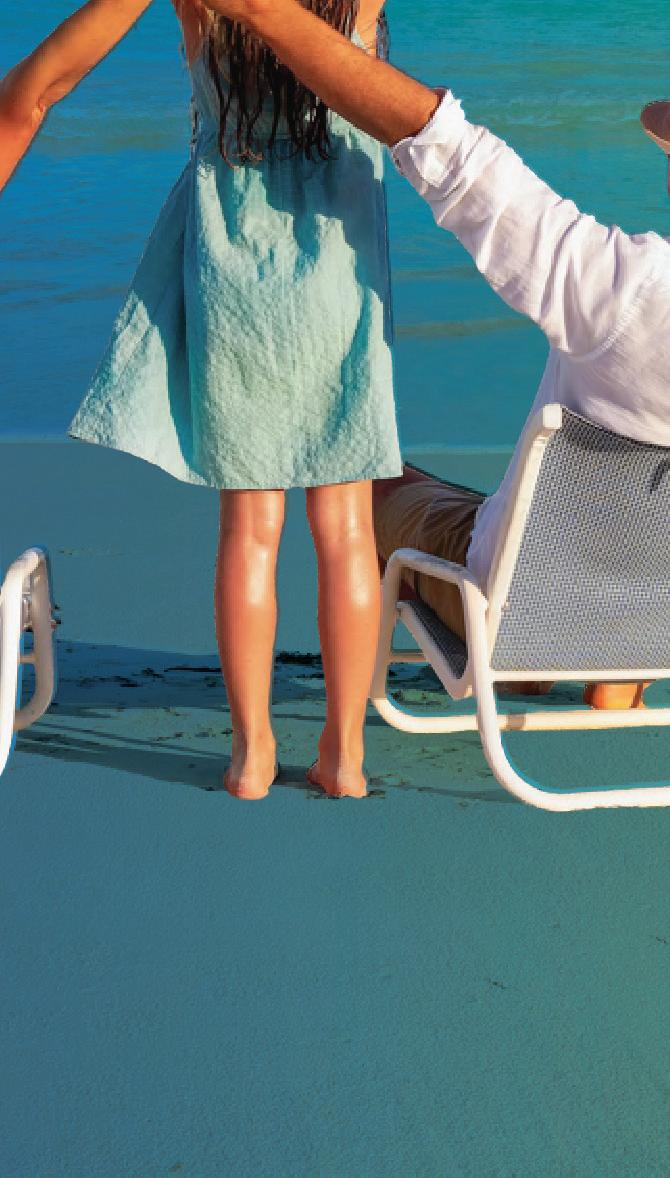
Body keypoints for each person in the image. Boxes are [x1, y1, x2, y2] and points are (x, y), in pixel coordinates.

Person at [201, 0, 670, 711]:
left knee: (370, 483)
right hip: (652, 613)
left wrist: (258, 11)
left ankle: (393, 706)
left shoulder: (628, 288)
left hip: (519, 611)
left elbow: (446, 149)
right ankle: (619, 663)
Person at [0, 0, 404, 800]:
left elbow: (39, 87)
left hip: (230, 260)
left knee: (250, 528)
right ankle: (345, 755)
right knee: (346, 529)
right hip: (341, 262)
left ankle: (251, 755)